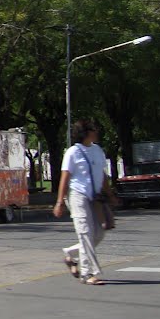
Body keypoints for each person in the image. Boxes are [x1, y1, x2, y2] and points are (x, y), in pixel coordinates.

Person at [53, 119, 118, 285]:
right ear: (86, 132)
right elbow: (65, 178)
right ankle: (88, 273)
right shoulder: (72, 152)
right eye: (93, 129)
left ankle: (70, 255)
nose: (96, 132)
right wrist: (60, 202)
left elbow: (103, 175)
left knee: (99, 233)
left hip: (95, 198)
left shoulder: (97, 150)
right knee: (86, 233)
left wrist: (110, 194)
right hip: (78, 196)